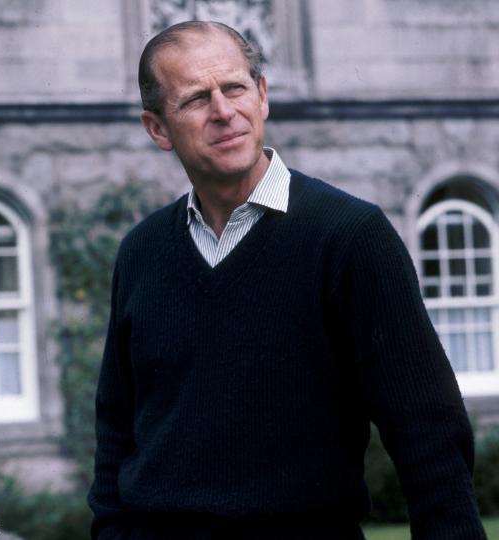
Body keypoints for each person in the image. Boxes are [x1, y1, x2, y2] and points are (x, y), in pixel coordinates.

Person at [87, 21, 486, 539]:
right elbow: (115, 431)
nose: (224, 111)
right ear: (157, 128)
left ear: (263, 96)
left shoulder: (350, 237)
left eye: (235, 88)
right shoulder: (141, 252)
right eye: (195, 99)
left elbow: (427, 433)